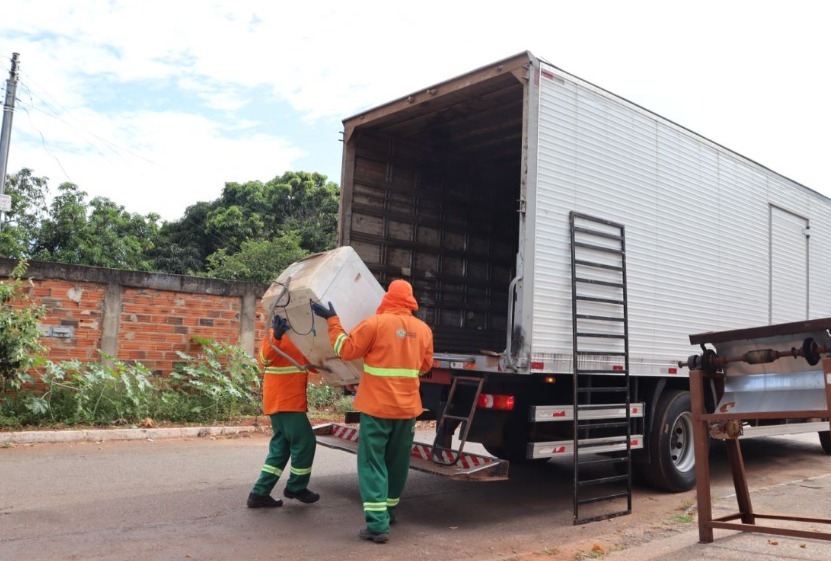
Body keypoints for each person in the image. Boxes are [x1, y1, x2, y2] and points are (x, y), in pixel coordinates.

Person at [312, 279, 433, 544]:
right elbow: (425, 366)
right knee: (397, 462)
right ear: (410, 301)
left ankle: (377, 525)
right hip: (407, 409)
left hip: (377, 407)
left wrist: (333, 320)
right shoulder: (423, 330)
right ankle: (389, 511)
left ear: (388, 297)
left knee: (372, 461)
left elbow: (345, 349)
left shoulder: (375, 323)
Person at [246, 314, 320, 508]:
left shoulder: (299, 340)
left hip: (284, 402)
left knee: (281, 448)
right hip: (285, 402)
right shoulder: (275, 335)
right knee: (305, 441)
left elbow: (311, 365)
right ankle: (296, 487)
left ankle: (259, 493)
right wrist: (276, 336)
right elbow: (263, 359)